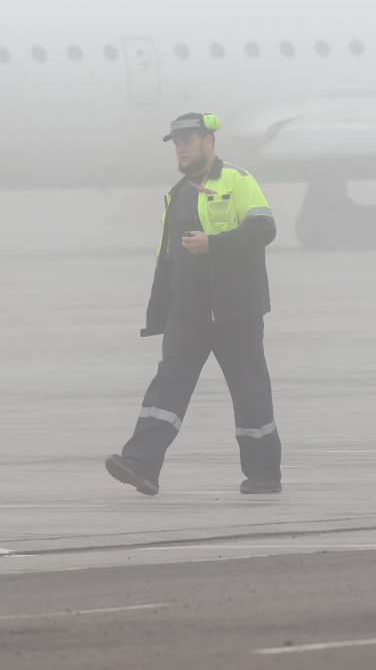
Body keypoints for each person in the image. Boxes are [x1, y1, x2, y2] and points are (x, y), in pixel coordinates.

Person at [105, 112, 282, 495]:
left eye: (187, 141)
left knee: (249, 393)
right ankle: (141, 464)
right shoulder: (178, 194)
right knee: (168, 384)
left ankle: (264, 474)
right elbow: (168, 260)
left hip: (235, 312)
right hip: (188, 314)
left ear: (208, 142)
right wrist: (164, 311)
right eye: (177, 144)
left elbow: (264, 229)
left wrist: (212, 244)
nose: (181, 149)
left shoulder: (238, 180)